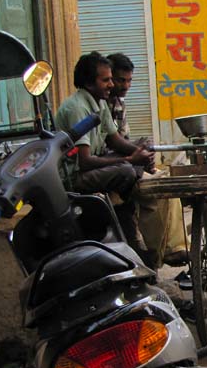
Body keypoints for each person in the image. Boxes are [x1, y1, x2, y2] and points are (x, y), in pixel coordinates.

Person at [54, 51, 155, 259]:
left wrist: (141, 152)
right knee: (127, 170)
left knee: (144, 145)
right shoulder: (77, 108)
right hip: (75, 176)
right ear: (89, 83)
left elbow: (115, 139)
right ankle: (126, 202)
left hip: (96, 165)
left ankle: (127, 200)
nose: (111, 85)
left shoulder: (100, 102)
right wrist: (131, 159)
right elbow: (85, 161)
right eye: (106, 80)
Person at [105, 52, 190, 272]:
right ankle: (159, 251)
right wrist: (137, 154)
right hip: (110, 170)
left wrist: (142, 151)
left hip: (121, 163)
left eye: (129, 81)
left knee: (168, 181)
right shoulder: (97, 105)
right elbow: (110, 146)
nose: (125, 85)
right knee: (158, 190)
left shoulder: (118, 104)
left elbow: (122, 140)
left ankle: (172, 247)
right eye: (120, 80)